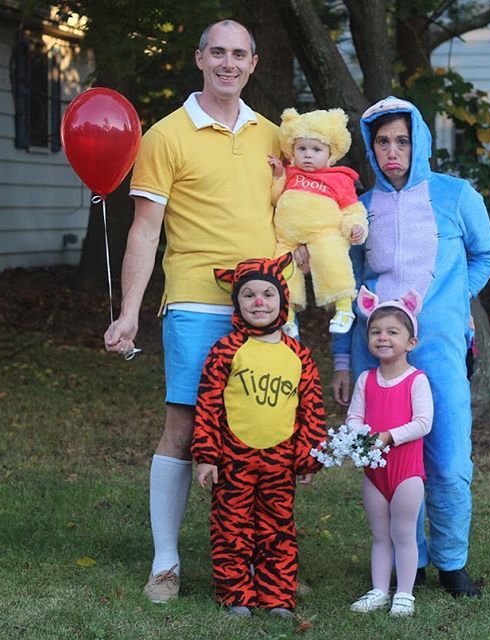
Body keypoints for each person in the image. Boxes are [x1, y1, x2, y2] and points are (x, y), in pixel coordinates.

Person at [103, 20, 289, 603]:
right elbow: (144, 229)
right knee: (184, 430)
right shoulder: (164, 135)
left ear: (254, 63)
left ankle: (265, 567)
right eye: (218, 53)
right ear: (199, 59)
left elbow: (297, 211)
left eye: (239, 54)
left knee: (267, 436)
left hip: (269, 306)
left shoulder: (274, 136)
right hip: (196, 302)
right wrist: (128, 311)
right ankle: (165, 565)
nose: (228, 63)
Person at [332, 96, 490, 598]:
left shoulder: (455, 196)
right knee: (389, 460)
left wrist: (453, 300)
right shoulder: (358, 209)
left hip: (440, 351)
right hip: (375, 353)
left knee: (446, 458)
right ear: (370, 146)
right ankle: (411, 560)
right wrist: (342, 360)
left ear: (419, 142)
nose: (392, 151)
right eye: (382, 141)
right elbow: (345, 287)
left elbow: (485, 254)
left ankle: (451, 561)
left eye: (402, 140)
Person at [192, 254, 325, 618]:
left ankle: (277, 595)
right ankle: (236, 593)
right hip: (234, 459)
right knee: (231, 527)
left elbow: (310, 411)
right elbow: (208, 404)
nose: (259, 303)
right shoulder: (225, 350)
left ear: (282, 299)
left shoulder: (299, 355)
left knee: (277, 528)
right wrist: (206, 454)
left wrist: (308, 457)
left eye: (268, 294)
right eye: (248, 295)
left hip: (280, 461)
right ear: (236, 302)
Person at [347, 286, 433, 618]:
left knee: (403, 531)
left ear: (410, 342)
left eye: (392, 332)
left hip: (406, 472)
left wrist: (388, 436)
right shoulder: (366, 379)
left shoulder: (416, 380)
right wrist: (359, 436)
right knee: (380, 534)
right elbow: (355, 416)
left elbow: (423, 422)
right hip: (375, 472)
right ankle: (379, 589)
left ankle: (405, 594)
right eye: (376, 331)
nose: (383, 337)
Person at [268, 107, 367, 337]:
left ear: (330, 153)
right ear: (292, 150)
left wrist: (355, 226)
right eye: (302, 149)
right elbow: (275, 198)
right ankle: (287, 315)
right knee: (280, 269)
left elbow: (351, 208)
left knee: (332, 257)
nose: (308, 155)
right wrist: (277, 175)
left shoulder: (339, 179)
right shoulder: (291, 173)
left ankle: (343, 306)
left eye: (316, 149)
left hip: (323, 233)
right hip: (288, 238)